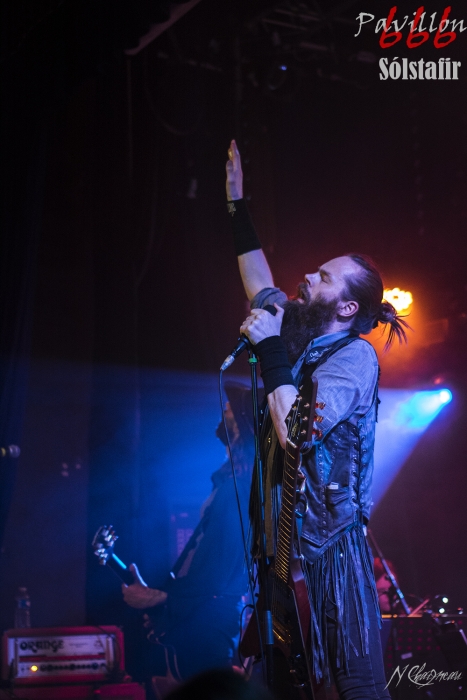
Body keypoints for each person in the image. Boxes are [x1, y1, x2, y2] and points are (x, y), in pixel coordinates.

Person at [225, 139, 409, 700]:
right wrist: (236, 205)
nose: (308, 275)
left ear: (348, 308)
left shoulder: (353, 358)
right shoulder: (302, 340)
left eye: (325, 277)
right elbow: (259, 283)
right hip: (283, 553)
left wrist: (271, 350)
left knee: (354, 688)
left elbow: (296, 432)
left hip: (329, 555)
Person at [122, 380, 259, 686]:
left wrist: (162, 599)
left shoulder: (238, 489)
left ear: (244, 425)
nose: (224, 407)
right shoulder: (230, 482)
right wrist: (165, 600)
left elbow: (217, 570)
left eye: (232, 406)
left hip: (209, 619)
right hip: (204, 615)